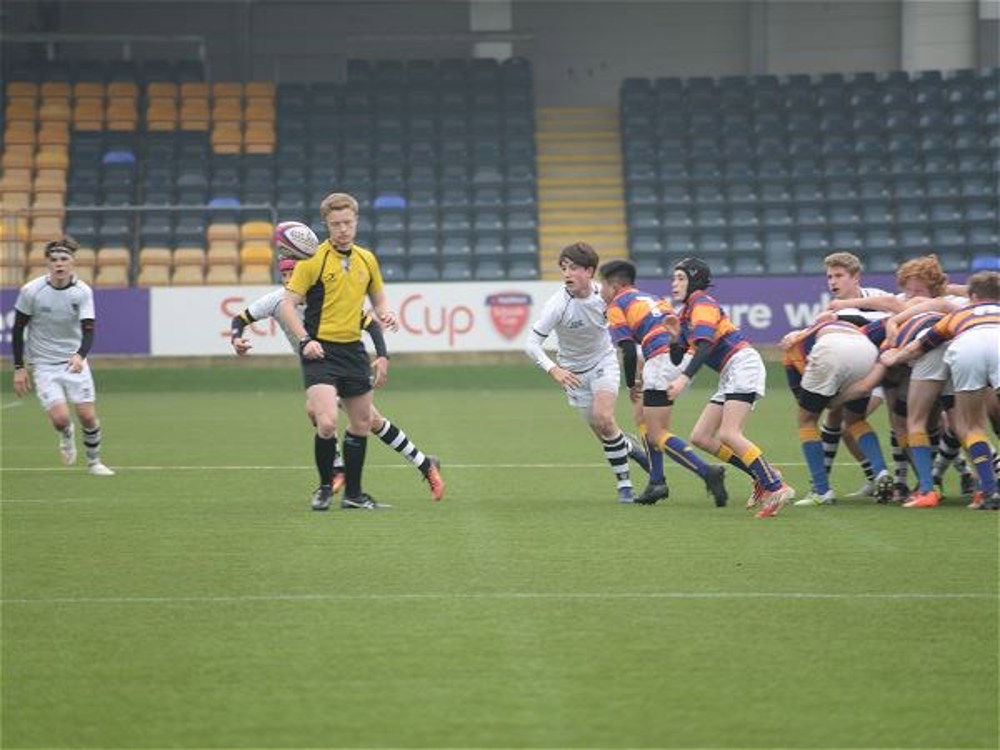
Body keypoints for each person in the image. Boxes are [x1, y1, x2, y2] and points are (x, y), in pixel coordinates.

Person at [231, 255, 444, 502]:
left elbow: (369, 323)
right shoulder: (277, 301)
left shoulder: (326, 295)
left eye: (295, 275)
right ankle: (340, 470)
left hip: (343, 363)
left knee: (371, 421)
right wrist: (236, 338)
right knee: (319, 413)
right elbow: (240, 319)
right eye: (286, 276)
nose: (291, 281)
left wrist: (382, 355)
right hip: (317, 370)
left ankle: (424, 464)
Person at [277, 192, 398, 512]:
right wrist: (305, 340)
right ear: (326, 225)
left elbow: (379, 299)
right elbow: (288, 306)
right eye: (335, 224)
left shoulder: (367, 259)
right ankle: (324, 487)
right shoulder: (311, 260)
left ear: (356, 221)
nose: (342, 229)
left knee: (360, 424)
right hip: (320, 352)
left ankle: (354, 495)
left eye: (347, 222)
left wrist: (385, 314)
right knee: (328, 422)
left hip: (353, 352)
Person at [664, 257, 794, 518]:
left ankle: (776, 486)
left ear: (695, 280)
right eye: (673, 278)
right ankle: (761, 475)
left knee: (729, 433)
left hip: (742, 364)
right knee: (701, 436)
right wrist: (676, 336)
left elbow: (705, 346)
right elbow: (678, 357)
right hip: (731, 371)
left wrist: (684, 379)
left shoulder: (702, 302)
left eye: (680, 278)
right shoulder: (686, 313)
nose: (674, 283)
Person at [525, 242, 650, 504]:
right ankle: (633, 451)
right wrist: (554, 369)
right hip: (573, 374)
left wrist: (639, 358)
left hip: (604, 362)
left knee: (604, 418)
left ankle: (625, 486)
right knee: (605, 432)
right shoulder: (557, 305)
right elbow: (531, 343)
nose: (567, 274)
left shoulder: (604, 297)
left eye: (573, 268)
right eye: (563, 268)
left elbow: (629, 329)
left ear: (589, 271)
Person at [598, 258, 727, 506]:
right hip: (680, 357)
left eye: (601, 285)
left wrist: (630, 384)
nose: (600, 291)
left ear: (613, 286)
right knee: (644, 419)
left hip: (661, 360)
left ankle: (707, 472)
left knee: (657, 432)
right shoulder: (655, 299)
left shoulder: (616, 304)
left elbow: (625, 347)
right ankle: (657, 482)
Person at [880, 270, 1000, 510]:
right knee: (962, 424)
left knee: (921, 421)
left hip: (963, 346)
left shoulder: (958, 313)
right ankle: (984, 488)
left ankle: (928, 490)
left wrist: (894, 357)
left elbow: (921, 345)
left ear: (973, 296)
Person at [10, 237, 114, 476]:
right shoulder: (31, 291)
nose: (59, 264)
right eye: (54, 259)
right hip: (44, 365)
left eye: (64, 259)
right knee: (60, 419)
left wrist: (80, 355)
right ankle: (66, 434)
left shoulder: (82, 292)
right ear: (47, 263)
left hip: (73, 362)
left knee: (87, 416)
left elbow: (88, 329)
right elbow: (18, 329)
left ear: (72, 263)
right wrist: (19, 367)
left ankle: (94, 462)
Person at [779, 317, 893, 506]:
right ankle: (881, 471)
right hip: (867, 352)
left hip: (830, 351)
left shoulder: (794, 347)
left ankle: (821, 490)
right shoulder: (856, 329)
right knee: (855, 419)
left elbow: (805, 401)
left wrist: (827, 400)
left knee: (807, 420)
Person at [818, 252, 894, 497]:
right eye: (829, 276)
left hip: (889, 372)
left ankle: (821, 486)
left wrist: (847, 306)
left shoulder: (876, 296)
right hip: (863, 370)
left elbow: (897, 308)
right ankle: (876, 477)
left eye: (839, 275)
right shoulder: (832, 310)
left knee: (849, 421)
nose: (832, 282)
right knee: (839, 419)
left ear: (856, 277)